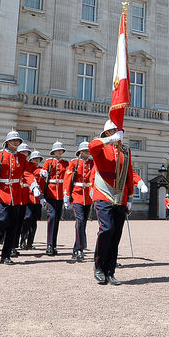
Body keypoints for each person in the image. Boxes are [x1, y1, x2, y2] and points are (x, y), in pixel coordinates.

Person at [89, 119, 135, 286]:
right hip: (103, 194)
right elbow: (92, 146)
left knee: (116, 235)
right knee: (107, 229)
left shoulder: (125, 151)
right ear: (108, 132)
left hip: (120, 196)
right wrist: (109, 140)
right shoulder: (102, 147)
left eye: (119, 131)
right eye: (114, 131)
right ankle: (99, 267)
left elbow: (128, 174)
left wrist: (130, 197)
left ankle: (110, 271)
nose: (119, 134)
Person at [0, 130, 30, 264]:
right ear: (7, 142)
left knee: (13, 225)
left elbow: (27, 173)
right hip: (3, 192)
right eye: (13, 140)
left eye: (17, 141)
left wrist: (34, 185)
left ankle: (6, 255)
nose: (16, 142)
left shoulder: (21, 158)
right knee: (2, 221)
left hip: (16, 194)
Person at [37, 141, 70, 256]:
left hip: (60, 193)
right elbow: (43, 176)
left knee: (56, 219)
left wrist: (67, 194)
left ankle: (54, 244)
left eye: (61, 150)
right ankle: (49, 245)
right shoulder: (48, 162)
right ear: (53, 151)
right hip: (51, 192)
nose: (59, 152)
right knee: (51, 217)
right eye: (57, 150)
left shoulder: (66, 163)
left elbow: (68, 178)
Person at [63, 140, 94, 262]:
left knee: (83, 223)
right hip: (77, 195)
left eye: (88, 151)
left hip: (88, 196)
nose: (87, 152)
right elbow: (67, 180)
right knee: (80, 221)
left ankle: (76, 248)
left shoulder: (92, 163)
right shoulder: (74, 163)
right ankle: (80, 249)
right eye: (85, 150)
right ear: (80, 151)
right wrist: (66, 196)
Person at [20, 150, 44, 250]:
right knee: (27, 218)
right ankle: (23, 239)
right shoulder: (29, 167)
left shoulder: (41, 169)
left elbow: (42, 184)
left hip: (37, 199)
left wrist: (42, 197)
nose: (36, 160)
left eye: (38, 158)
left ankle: (30, 242)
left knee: (34, 221)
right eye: (34, 158)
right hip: (28, 197)